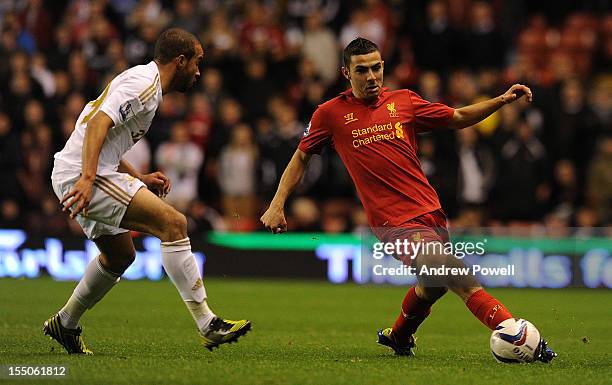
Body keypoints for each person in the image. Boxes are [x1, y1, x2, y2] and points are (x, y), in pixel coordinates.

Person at [261, 38, 556, 362]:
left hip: (430, 211)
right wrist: (277, 203)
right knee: (453, 272)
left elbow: (457, 116)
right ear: (346, 72)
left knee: (434, 285)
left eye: (376, 68)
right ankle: (516, 333)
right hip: (392, 222)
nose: (371, 76)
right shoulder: (330, 114)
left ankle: (399, 335)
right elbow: (301, 157)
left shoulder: (404, 101)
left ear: (383, 67)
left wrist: (500, 100)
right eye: (362, 70)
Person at [45, 28, 251, 355]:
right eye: (197, 63)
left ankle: (65, 322)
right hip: (82, 174)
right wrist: (86, 178)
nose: (199, 71)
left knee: (120, 256)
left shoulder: (147, 87)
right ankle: (207, 323)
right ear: (180, 61)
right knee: (174, 224)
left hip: (88, 170)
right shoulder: (144, 86)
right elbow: (98, 123)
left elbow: (106, 138)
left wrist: (137, 176)